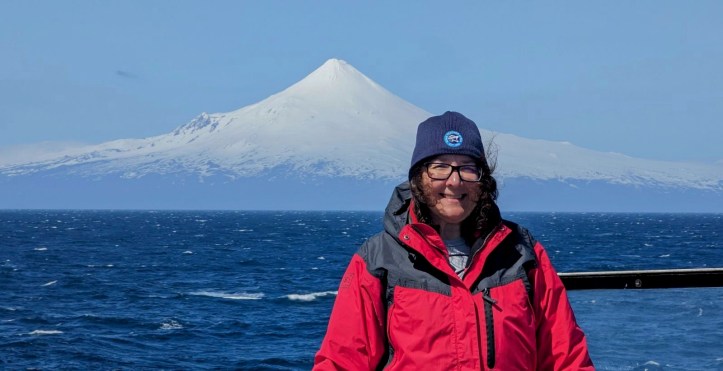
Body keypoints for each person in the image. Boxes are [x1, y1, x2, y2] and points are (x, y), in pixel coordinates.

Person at [313, 111, 594, 370]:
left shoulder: (522, 252)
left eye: (468, 168)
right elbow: (342, 361)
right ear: (418, 179)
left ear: (483, 179)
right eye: (440, 167)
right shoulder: (378, 259)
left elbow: (566, 357)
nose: (454, 181)